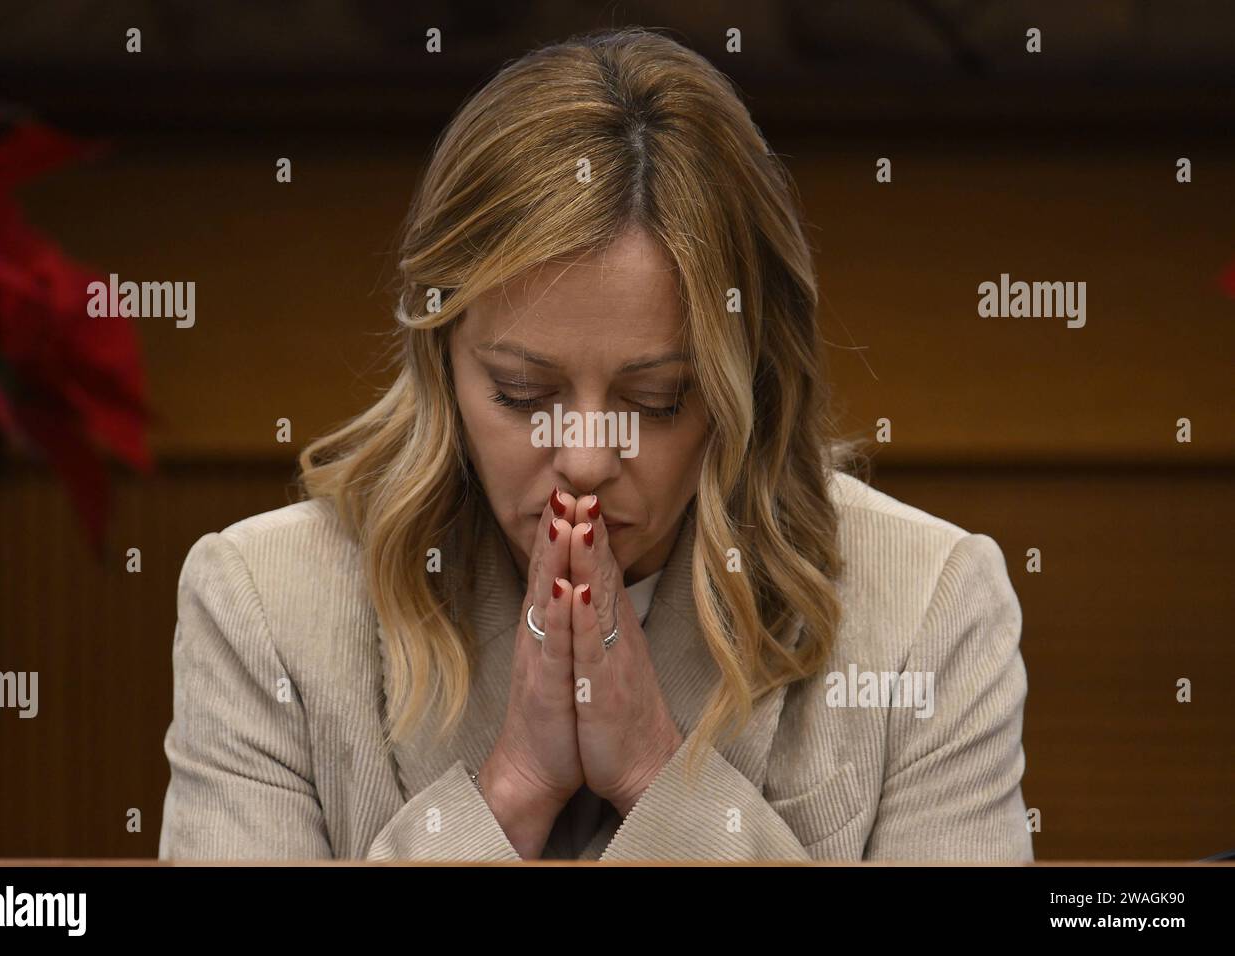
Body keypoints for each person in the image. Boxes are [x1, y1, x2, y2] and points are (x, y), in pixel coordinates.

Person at [157, 27, 1033, 862]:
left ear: (748, 383)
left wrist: (659, 774)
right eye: (522, 394)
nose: (583, 456)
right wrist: (511, 791)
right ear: (440, 361)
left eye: (655, 400)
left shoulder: (929, 610)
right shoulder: (264, 607)